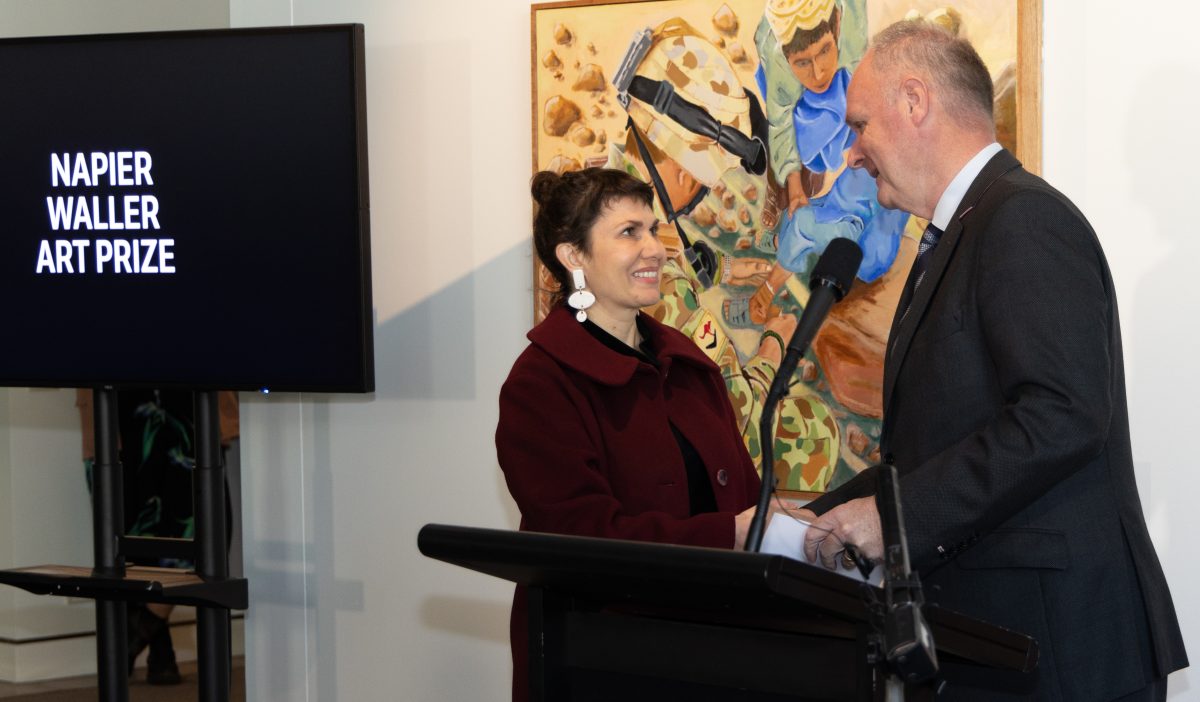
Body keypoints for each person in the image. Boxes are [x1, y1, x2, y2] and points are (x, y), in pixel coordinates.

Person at [793, 21, 1188, 700]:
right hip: (1002, 642)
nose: (853, 152)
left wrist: (895, 519)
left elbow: (1062, 415)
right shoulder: (961, 232)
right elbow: (934, 446)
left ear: (914, 101)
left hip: (1058, 649)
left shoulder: (1022, 219)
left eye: (860, 125)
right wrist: (808, 517)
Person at [497, 167, 769, 701]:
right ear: (573, 257)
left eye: (653, 229)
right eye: (629, 233)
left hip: (716, 656)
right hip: (602, 663)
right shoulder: (540, 384)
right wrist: (727, 536)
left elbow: (743, 493)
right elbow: (581, 537)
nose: (656, 249)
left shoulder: (687, 363)